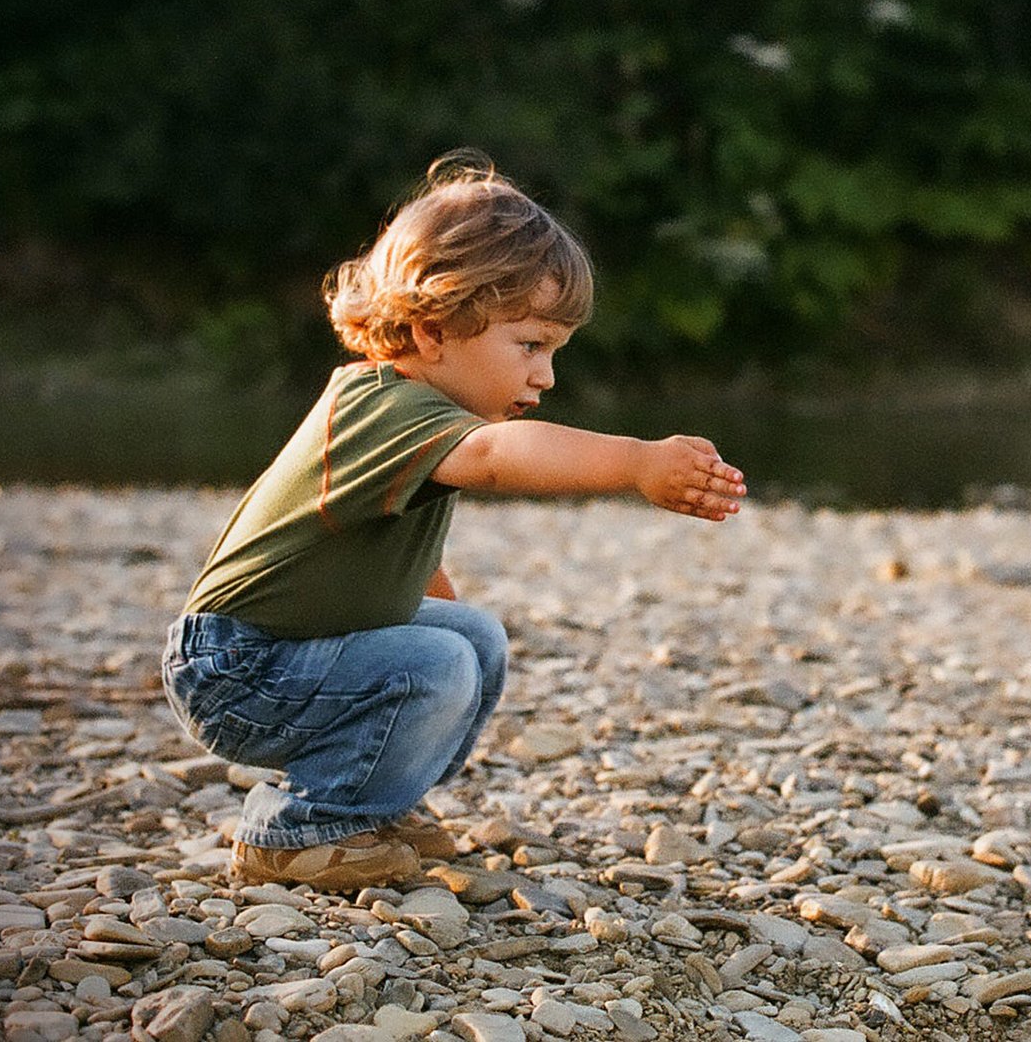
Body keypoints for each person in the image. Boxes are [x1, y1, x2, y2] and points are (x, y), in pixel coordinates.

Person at [160, 152, 746, 890]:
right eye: (530, 345)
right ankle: (300, 828)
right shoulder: (383, 405)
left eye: (553, 352)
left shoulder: (419, 411)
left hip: (289, 651)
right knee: (437, 665)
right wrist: (636, 462)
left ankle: (372, 802)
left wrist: (434, 607)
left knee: (472, 638)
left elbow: (377, 551)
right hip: (237, 669)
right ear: (432, 329)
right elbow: (499, 458)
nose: (545, 375)